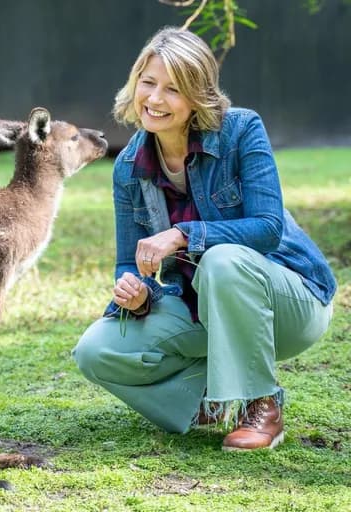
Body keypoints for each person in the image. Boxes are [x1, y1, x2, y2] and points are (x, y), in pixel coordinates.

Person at [71, 27, 336, 451]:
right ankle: (207, 401)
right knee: (95, 351)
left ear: (197, 95)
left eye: (173, 89)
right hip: (201, 309)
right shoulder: (128, 166)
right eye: (148, 82)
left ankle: (259, 404)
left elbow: (267, 228)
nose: (155, 100)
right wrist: (135, 293)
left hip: (290, 301)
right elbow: (128, 260)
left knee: (222, 259)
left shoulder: (241, 130)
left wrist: (182, 235)